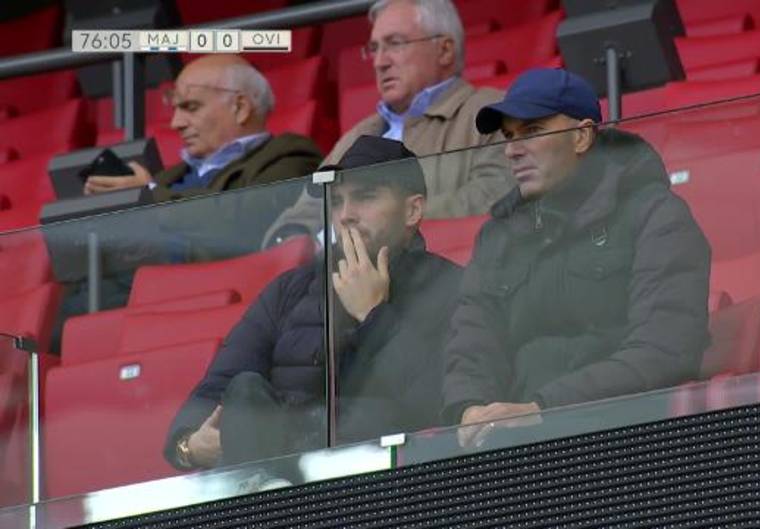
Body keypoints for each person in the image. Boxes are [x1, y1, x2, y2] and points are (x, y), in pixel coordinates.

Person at [442, 69, 712, 445]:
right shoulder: (498, 235)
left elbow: (663, 350)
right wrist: (469, 409)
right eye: (508, 136)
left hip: (623, 438)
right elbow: (471, 343)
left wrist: (541, 410)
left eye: (532, 132)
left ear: (582, 136)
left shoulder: (655, 215)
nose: (511, 150)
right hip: (511, 444)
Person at [164, 136, 462, 471]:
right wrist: (188, 445)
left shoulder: (454, 287)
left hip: (387, 480)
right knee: (246, 391)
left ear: (413, 210)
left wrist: (373, 314)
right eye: (336, 202)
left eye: (365, 197)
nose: (346, 215)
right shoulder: (290, 289)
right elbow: (217, 385)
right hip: (275, 481)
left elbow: (437, 402)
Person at [263, 0, 513, 247]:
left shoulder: (492, 111)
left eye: (395, 44)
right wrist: (294, 244)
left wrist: (379, 227)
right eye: (374, 48)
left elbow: (492, 196)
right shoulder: (357, 135)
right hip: (337, 277)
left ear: (445, 50)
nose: (379, 62)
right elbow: (301, 215)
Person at [84, 54, 322, 202]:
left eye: (191, 107)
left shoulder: (291, 156)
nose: (176, 123)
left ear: (240, 107)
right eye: (176, 109)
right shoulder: (166, 178)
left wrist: (150, 195)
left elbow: (247, 221)